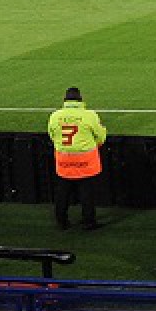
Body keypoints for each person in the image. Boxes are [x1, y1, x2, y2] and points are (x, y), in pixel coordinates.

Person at [47, 86, 107, 232]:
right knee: (87, 193)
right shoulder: (89, 115)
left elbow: (52, 134)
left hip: (63, 161)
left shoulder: (55, 116)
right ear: (80, 100)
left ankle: (61, 221)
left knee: (63, 192)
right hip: (86, 162)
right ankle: (89, 222)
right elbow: (100, 136)